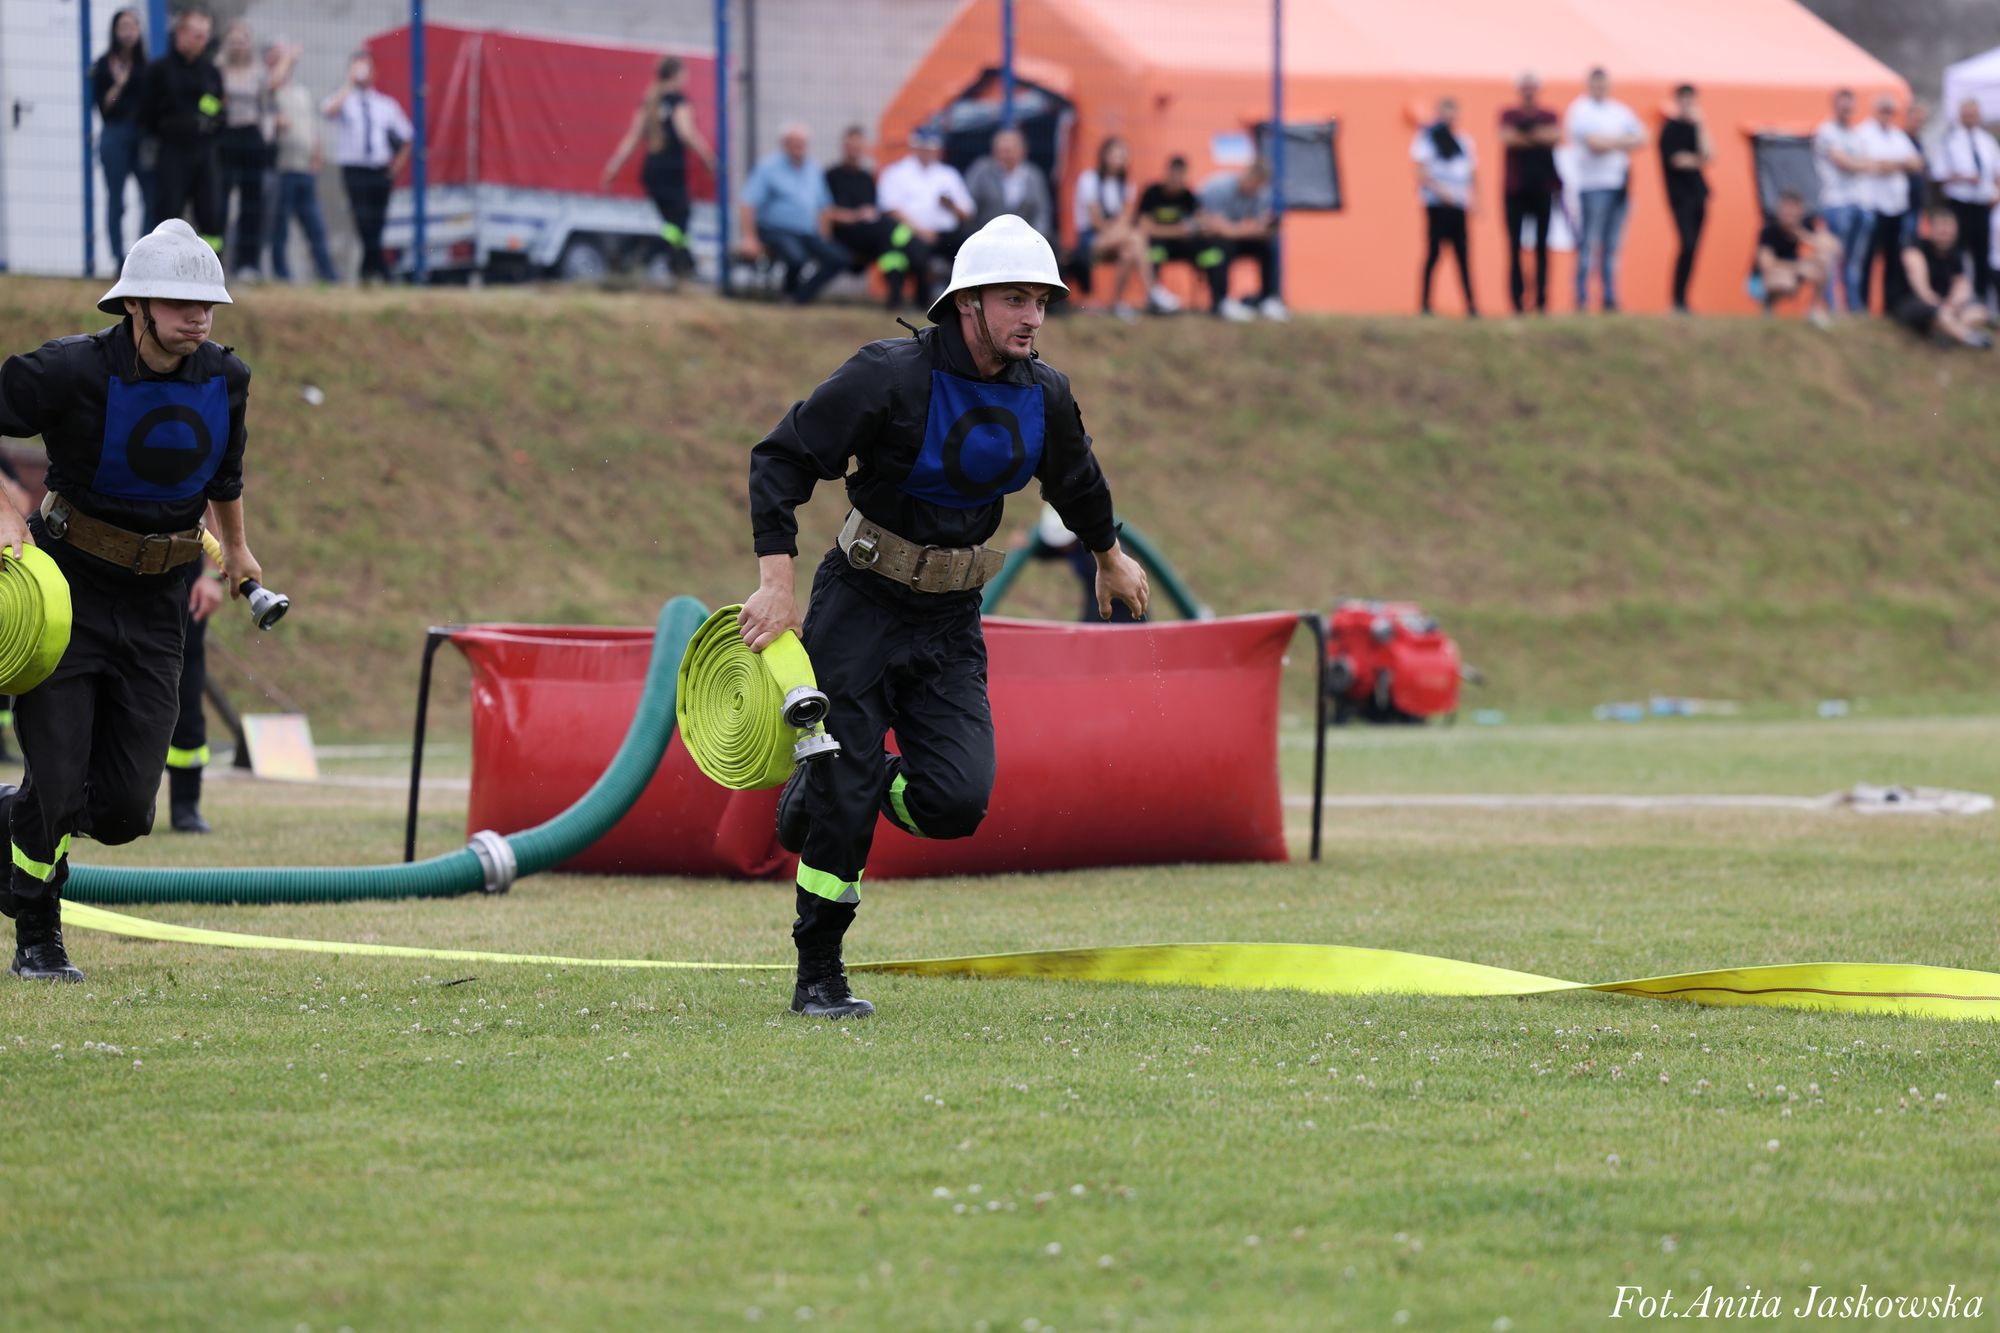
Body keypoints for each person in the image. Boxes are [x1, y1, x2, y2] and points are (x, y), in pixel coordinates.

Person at [739, 215, 1149, 1019]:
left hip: (952, 620)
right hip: (859, 603)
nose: (1034, 315)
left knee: (957, 801)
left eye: (1042, 301)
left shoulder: (1047, 394)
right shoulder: (888, 375)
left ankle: (829, 785)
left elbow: (1076, 477)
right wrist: (774, 582)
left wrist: (1110, 555)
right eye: (1017, 298)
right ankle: (819, 973)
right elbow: (781, 458)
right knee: (847, 798)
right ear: (968, 303)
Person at [0, 219, 261, 982]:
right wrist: (7, 510)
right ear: (135, 306)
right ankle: (37, 935)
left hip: (160, 603)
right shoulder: (69, 371)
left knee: (120, 811)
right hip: (65, 593)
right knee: (55, 780)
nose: (200, 316)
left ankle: (11, 816)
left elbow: (226, 474)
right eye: (181, 303)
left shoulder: (226, 377)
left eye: (207, 303)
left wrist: (237, 551)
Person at [600, 56, 717, 282]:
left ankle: (682, 267)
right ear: (677, 75)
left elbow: (632, 138)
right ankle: (640, 257)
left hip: (652, 171)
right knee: (679, 222)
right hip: (671, 171)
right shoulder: (679, 100)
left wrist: (613, 167)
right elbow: (686, 134)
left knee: (673, 225)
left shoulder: (650, 100)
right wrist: (708, 159)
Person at [322, 51, 412, 285]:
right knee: (363, 221)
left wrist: (395, 168)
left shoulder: (385, 104)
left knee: (377, 223)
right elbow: (329, 110)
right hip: (354, 170)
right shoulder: (346, 100)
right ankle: (384, 273)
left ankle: (367, 273)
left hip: (379, 170)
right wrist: (350, 83)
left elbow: (406, 137)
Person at [141, 7, 225, 257]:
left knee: (211, 217)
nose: (202, 41)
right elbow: (146, 115)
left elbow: (218, 109)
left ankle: (213, 269)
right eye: (197, 35)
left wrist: (208, 122)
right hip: (172, 154)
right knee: (167, 217)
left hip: (204, 153)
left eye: (205, 35)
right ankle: (161, 268)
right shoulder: (159, 70)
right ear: (181, 33)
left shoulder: (211, 73)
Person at [1564, 67, 1645, 313]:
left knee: (1612, 245)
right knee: (1589, 242)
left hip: (1619, 184)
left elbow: (1641, 138)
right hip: (1593, 186)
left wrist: (1609, 141)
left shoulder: (1619, 110)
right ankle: (1581, 297)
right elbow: (1593, 144)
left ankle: (1609, 297)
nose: (1600, 88)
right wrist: (1621, 141)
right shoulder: (1580, 109)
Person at [738, 124, 848, 305]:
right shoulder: (768, 168)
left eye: (802, 143)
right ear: (784, 144)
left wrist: (824, 236)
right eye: (794, 143)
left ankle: (799, 297)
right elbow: (748, 203)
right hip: (774, 230)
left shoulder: (813, 169)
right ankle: (789, 294)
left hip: (807, 232)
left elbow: (824, 208)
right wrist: (749, 238)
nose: (799, 147)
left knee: (838, 258)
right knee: (796, 258)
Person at [1072, 136, 1175, 319]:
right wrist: (1118, 230)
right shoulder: (1089, 179)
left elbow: (1125, 218)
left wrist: (1119, 231)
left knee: (1129, 251)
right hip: (1091, 240)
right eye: (1115, 155)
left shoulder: (1127, 184)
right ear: (1104, 156)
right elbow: (1096, 221)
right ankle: (1152, 289)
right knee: (1135, 237)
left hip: (1117, 239)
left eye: (1122, 156)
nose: (1119, 160)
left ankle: (1118, 302)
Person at [876, 127, 974, 309]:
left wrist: (951, 206)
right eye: (924, 148)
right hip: (908, 233)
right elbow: (891, 209)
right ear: (914, 148)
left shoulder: (948, 174)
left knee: (968, 246)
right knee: (914, 250)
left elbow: (967, 212)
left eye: (932, 148)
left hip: (943, 234)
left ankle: (963, 300)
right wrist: (920, 231)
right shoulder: (896, 173)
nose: (928, 152)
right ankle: (920, 301)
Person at [168, 534, 227, 832]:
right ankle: (87, 797)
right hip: (111, 558)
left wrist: (212, 574)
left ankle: (185, 804)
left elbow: (218, 496)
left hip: (181, 562)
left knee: (185, 684)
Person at [266, 39, 336, 284]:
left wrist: (317, 153)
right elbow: (271, 84)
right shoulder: (270, 90)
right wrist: (289, 56)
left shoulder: (301, 91)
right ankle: (281, 275)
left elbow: (312, 126)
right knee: (279, 228)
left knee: (315, 227)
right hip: (282, 170)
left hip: (305, 170)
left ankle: (328, 275)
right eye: (278, 55)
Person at [214, 20, 276, 282]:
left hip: (251, 136)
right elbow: (208, 102)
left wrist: (267, 134)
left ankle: (248, 263)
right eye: (234, 40)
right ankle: (216, 261)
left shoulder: (259, 72)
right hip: (226, 136)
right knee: (219, 202)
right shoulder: (217, 69)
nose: (238, 45)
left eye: (243, 40)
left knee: (252, 203)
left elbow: (268, 106)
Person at [90, 8, 153, 267]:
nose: (128, 32)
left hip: (142, 136)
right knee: (116, 199)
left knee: (150, 196)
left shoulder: (148, 67)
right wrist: (119, 84)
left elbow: (152, 104)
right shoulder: (102, 65)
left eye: (133, 26)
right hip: (115, 134)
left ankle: (143, 258)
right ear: (115, 31)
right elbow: (106, 107)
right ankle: (119, 259)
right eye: (123, 26)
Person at [821, 125, 911, 303]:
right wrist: (856, 215)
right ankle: (909, 242)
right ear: (843, 147)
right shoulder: (831, 175)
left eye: (858, 147)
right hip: (845, 235)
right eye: (851, 146)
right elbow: (826, 213)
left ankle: (895, 295)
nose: (854, 151)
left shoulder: (867, 177)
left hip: (870, 235)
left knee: (889, 244)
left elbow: (873, 209)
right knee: (889, 234)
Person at [1499, 72, 1561, 315]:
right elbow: (1509, 139)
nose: (1528, 91)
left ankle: (1542, 301)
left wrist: (1525, 135)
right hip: (1516, 189)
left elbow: (1554, 136)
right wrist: (1537, 137)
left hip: (1543, 188)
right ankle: (1517, 301)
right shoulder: (1508, 114)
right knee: (1514, 247)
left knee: (1542, 247)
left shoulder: (1549, 115)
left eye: (1532, 87)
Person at [1856, 95, 1924, 312]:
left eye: (1890, 111)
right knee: (1867, 258)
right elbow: (1872, 165)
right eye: (1883, 110)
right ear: (1875, 111)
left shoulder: (1897, 135)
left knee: (1893, 259)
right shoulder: (1863, 133)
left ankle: (1890, 306)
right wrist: (1899, 164)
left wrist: (1890, 164)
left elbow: (1916, 163)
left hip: (1897, 206)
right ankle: (1862, 305)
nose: (1887, 115)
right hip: (1873, 205)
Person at [1411, 97, 1478, 317]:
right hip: (1436, 206)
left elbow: (1471, 173)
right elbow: (1421, 172)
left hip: (1459, 206)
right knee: (1433, 254)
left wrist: (1474, 199)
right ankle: (1425, 304)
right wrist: (1443, 194)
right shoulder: (1427, 139)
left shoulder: (1464, 141)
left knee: (1463, 256)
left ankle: (1471, 306)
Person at [1196, 161, 1287, 321]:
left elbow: (1262, 229)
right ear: (1247, 176)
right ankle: (1221, 301)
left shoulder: (1262, 194)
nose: (1256, 190)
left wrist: (1264, 228)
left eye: (1260, 186)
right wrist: (1249, 230)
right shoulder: (1218, 187)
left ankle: (1269, 299)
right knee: (1219, 248)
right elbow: (1218, 229)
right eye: (1255, 184)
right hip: (1202, 243)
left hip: (1235, 238)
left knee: (1267, 247)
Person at [1895, 202, 1991, 348]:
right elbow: (1923, 291)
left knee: (1979, 312)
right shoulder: (1916, 250)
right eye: (1941, 227)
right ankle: (1968, 337)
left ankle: (1944, 333)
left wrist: (1953, 303)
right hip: (1915, 304)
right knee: (1940, 314)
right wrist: (1943, 307)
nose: (1945, 231)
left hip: (1944, 306)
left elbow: (1961, 285)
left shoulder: (1955, 255)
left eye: (1949, 227)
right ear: (1931, 228)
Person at [1934, 98, 2000, 306]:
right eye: (1967, 114)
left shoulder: (1986, 141)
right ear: (1960, 115)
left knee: (1984, 251)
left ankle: (1982, 297)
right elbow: (1938, 174)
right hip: (1960, 202)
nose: (1970, 117)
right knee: (1958, 249)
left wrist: (1995, 193)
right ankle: (1959, 296)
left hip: (1983, 204)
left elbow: (1997, 173)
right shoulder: (1950, 140)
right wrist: (1962, 177)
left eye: (1974, 114)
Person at [1813, 89, 1872, 313]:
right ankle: (1832, 306)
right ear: (1834, 105)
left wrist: (1859, 164)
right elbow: (1845, 163)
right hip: (1836, 203)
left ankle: (1853, 307)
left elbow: (1865, 162)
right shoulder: (1826, 131)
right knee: (1832, 258)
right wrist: (1861, 164)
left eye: (1850, 105)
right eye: (1842, 105)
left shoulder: (1857, 134)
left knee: (1854, 261)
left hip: (1860, 203)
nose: (1846, 109)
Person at [1659, 83, 1713, 313]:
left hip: (1698, 194)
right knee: (1687, 244)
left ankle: (1684, 300)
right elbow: (1679, 161)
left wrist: (1701, 125)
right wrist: (1698, 159)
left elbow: (1709, 154)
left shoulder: (1695, 128)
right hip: (1680, 197)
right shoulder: (1669, 129)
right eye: (1684, 100)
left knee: (1694, 248)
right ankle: (1677, 299)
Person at [1136, 155, 1216, 305]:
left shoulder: (1189, 196)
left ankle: (1216, 300)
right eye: (1174, 175)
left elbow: (1200, 223)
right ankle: (1154, 295)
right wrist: (1178, 230)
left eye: (1181, 176)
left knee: (1210, 250)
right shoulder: (1151, 193)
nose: (1176, 180)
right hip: (1159, 245)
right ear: (1167, 173)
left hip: (1181, 246)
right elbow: (1145, 229)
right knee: (1154, 249)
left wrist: (1202, 225)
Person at [965, 128, 1056, 246]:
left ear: (1022, 151)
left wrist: (1036, 240)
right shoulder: (981, 171)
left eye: (1008, 151)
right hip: (986, 242)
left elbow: (1042, 212)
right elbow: (967, 205)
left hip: (1026, 243)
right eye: (1000, 151)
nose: (1004, 155)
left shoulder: (1034, 176)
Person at [1754, 191, 1832, 323]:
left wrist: (1805, 237)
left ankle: (1814, 311)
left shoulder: (1805, 228)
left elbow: (1832, 247)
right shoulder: (1769, 231)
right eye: (1786, 212)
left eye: (1793, 213)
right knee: (1786, 281)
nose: (1790, 217)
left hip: (1794, 271)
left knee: (1823, 263)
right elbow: (1766, 264)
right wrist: (1798, 267)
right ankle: (1768, 308)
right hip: (1763, 279)